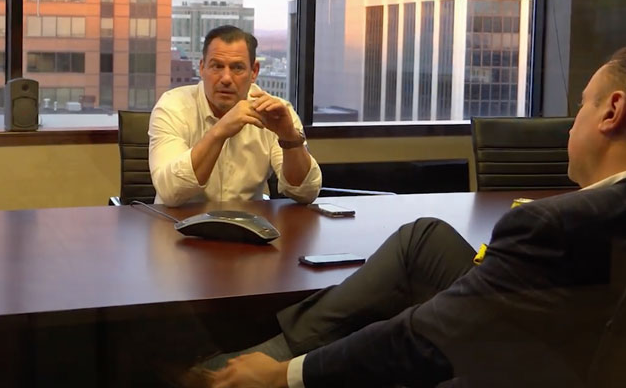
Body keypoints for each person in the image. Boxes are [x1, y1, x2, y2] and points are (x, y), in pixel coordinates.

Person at [208, 48, 626, 388]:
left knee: (410, 326)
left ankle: (269, 364)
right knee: (424, 238)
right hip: (570, 340)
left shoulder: (551, 226)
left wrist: (286, 377)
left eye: (582, 105)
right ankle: (279, 349)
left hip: (540, 367)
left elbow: (421, 337)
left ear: (611, 112)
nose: (572, 123)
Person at [149, 25, 321, 206]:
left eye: (237, 68)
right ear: (202, 68)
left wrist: (290, 138)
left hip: (247, 226)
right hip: (177, 226)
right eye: (216, 66)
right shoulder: (173, 106)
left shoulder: (275, 112)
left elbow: (306, 192)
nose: (225, 78)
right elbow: (170, 192)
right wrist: (219, 132)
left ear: (254, 71)